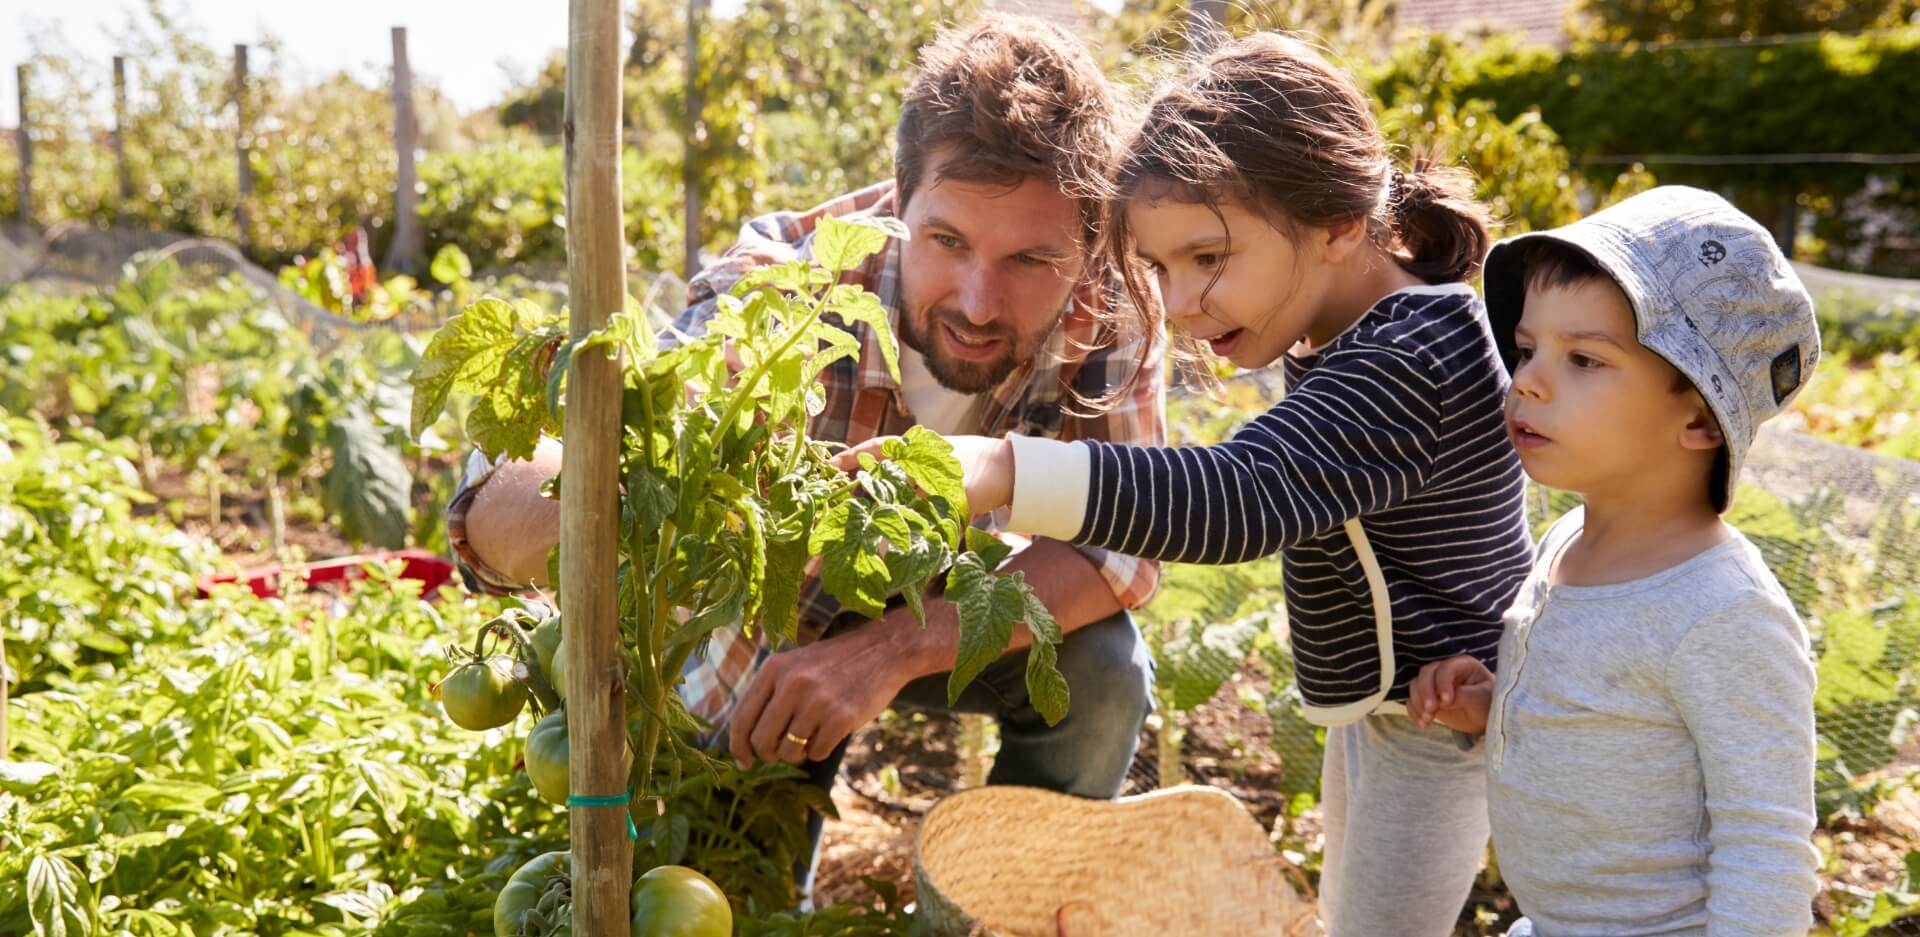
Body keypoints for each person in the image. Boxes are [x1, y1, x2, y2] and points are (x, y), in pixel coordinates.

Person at [446, 13, 1164, 897]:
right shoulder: (785, 288)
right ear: (898, 199)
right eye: (948, 242)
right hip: (773, 641)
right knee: (733, 890)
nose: (979, 300)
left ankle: (1000, 903)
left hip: (946, 609)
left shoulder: (1114, 308)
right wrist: (556, 500)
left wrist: (892, 649)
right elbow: (551, 483)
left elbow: (1119, 546)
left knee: (1103, 672)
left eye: (1030, 259)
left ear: (1090, 241)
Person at [847, 33, 1535, 936]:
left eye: (1209, 258)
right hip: (1398, 709)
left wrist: (1005, 469)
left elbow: (1239, 496)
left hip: (1443, 719)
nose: (1177, 302)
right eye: (1161, 268)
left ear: (1337, 223)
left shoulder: (1409, 356)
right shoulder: (1360, 333)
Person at [1408, 185, 1822, 936]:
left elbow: (1767, 851)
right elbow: (1615, 722)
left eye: (1584, 359)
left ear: (1698, 415)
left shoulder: (1724, 615)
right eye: (1528, 348)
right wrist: (1499, 703)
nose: (1527, 379)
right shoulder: (1568, 540)